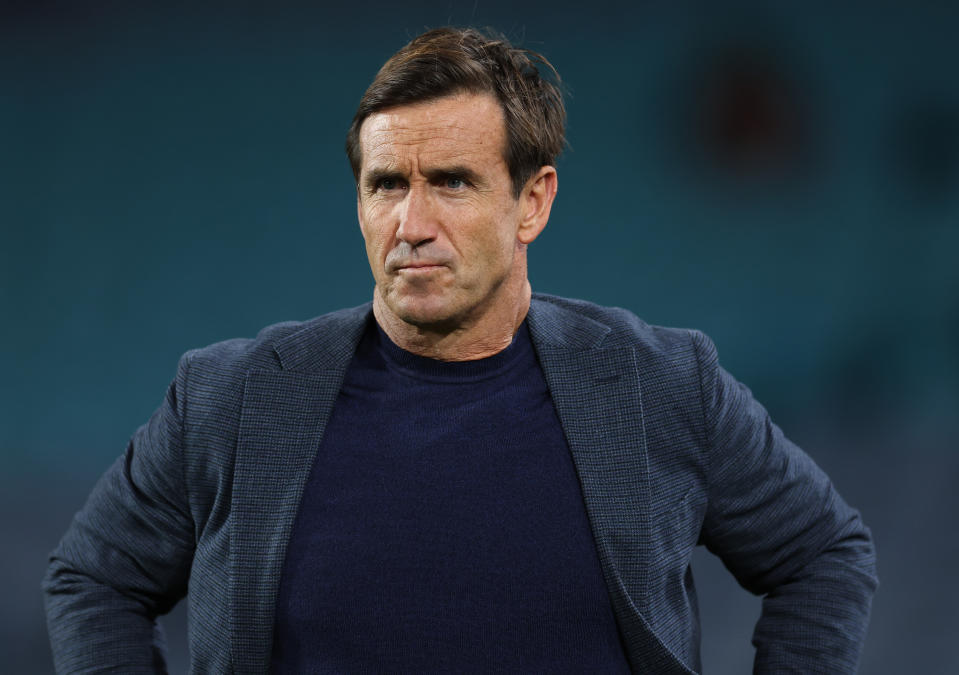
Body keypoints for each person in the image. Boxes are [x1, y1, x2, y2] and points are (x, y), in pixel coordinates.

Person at [43, 27, 877, 674]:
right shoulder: (232, 396)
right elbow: (93, 579)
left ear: (532, 201)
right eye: (384, 185)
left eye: (450, 181)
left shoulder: (657, 381)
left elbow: (823, 554)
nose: (411, 225)